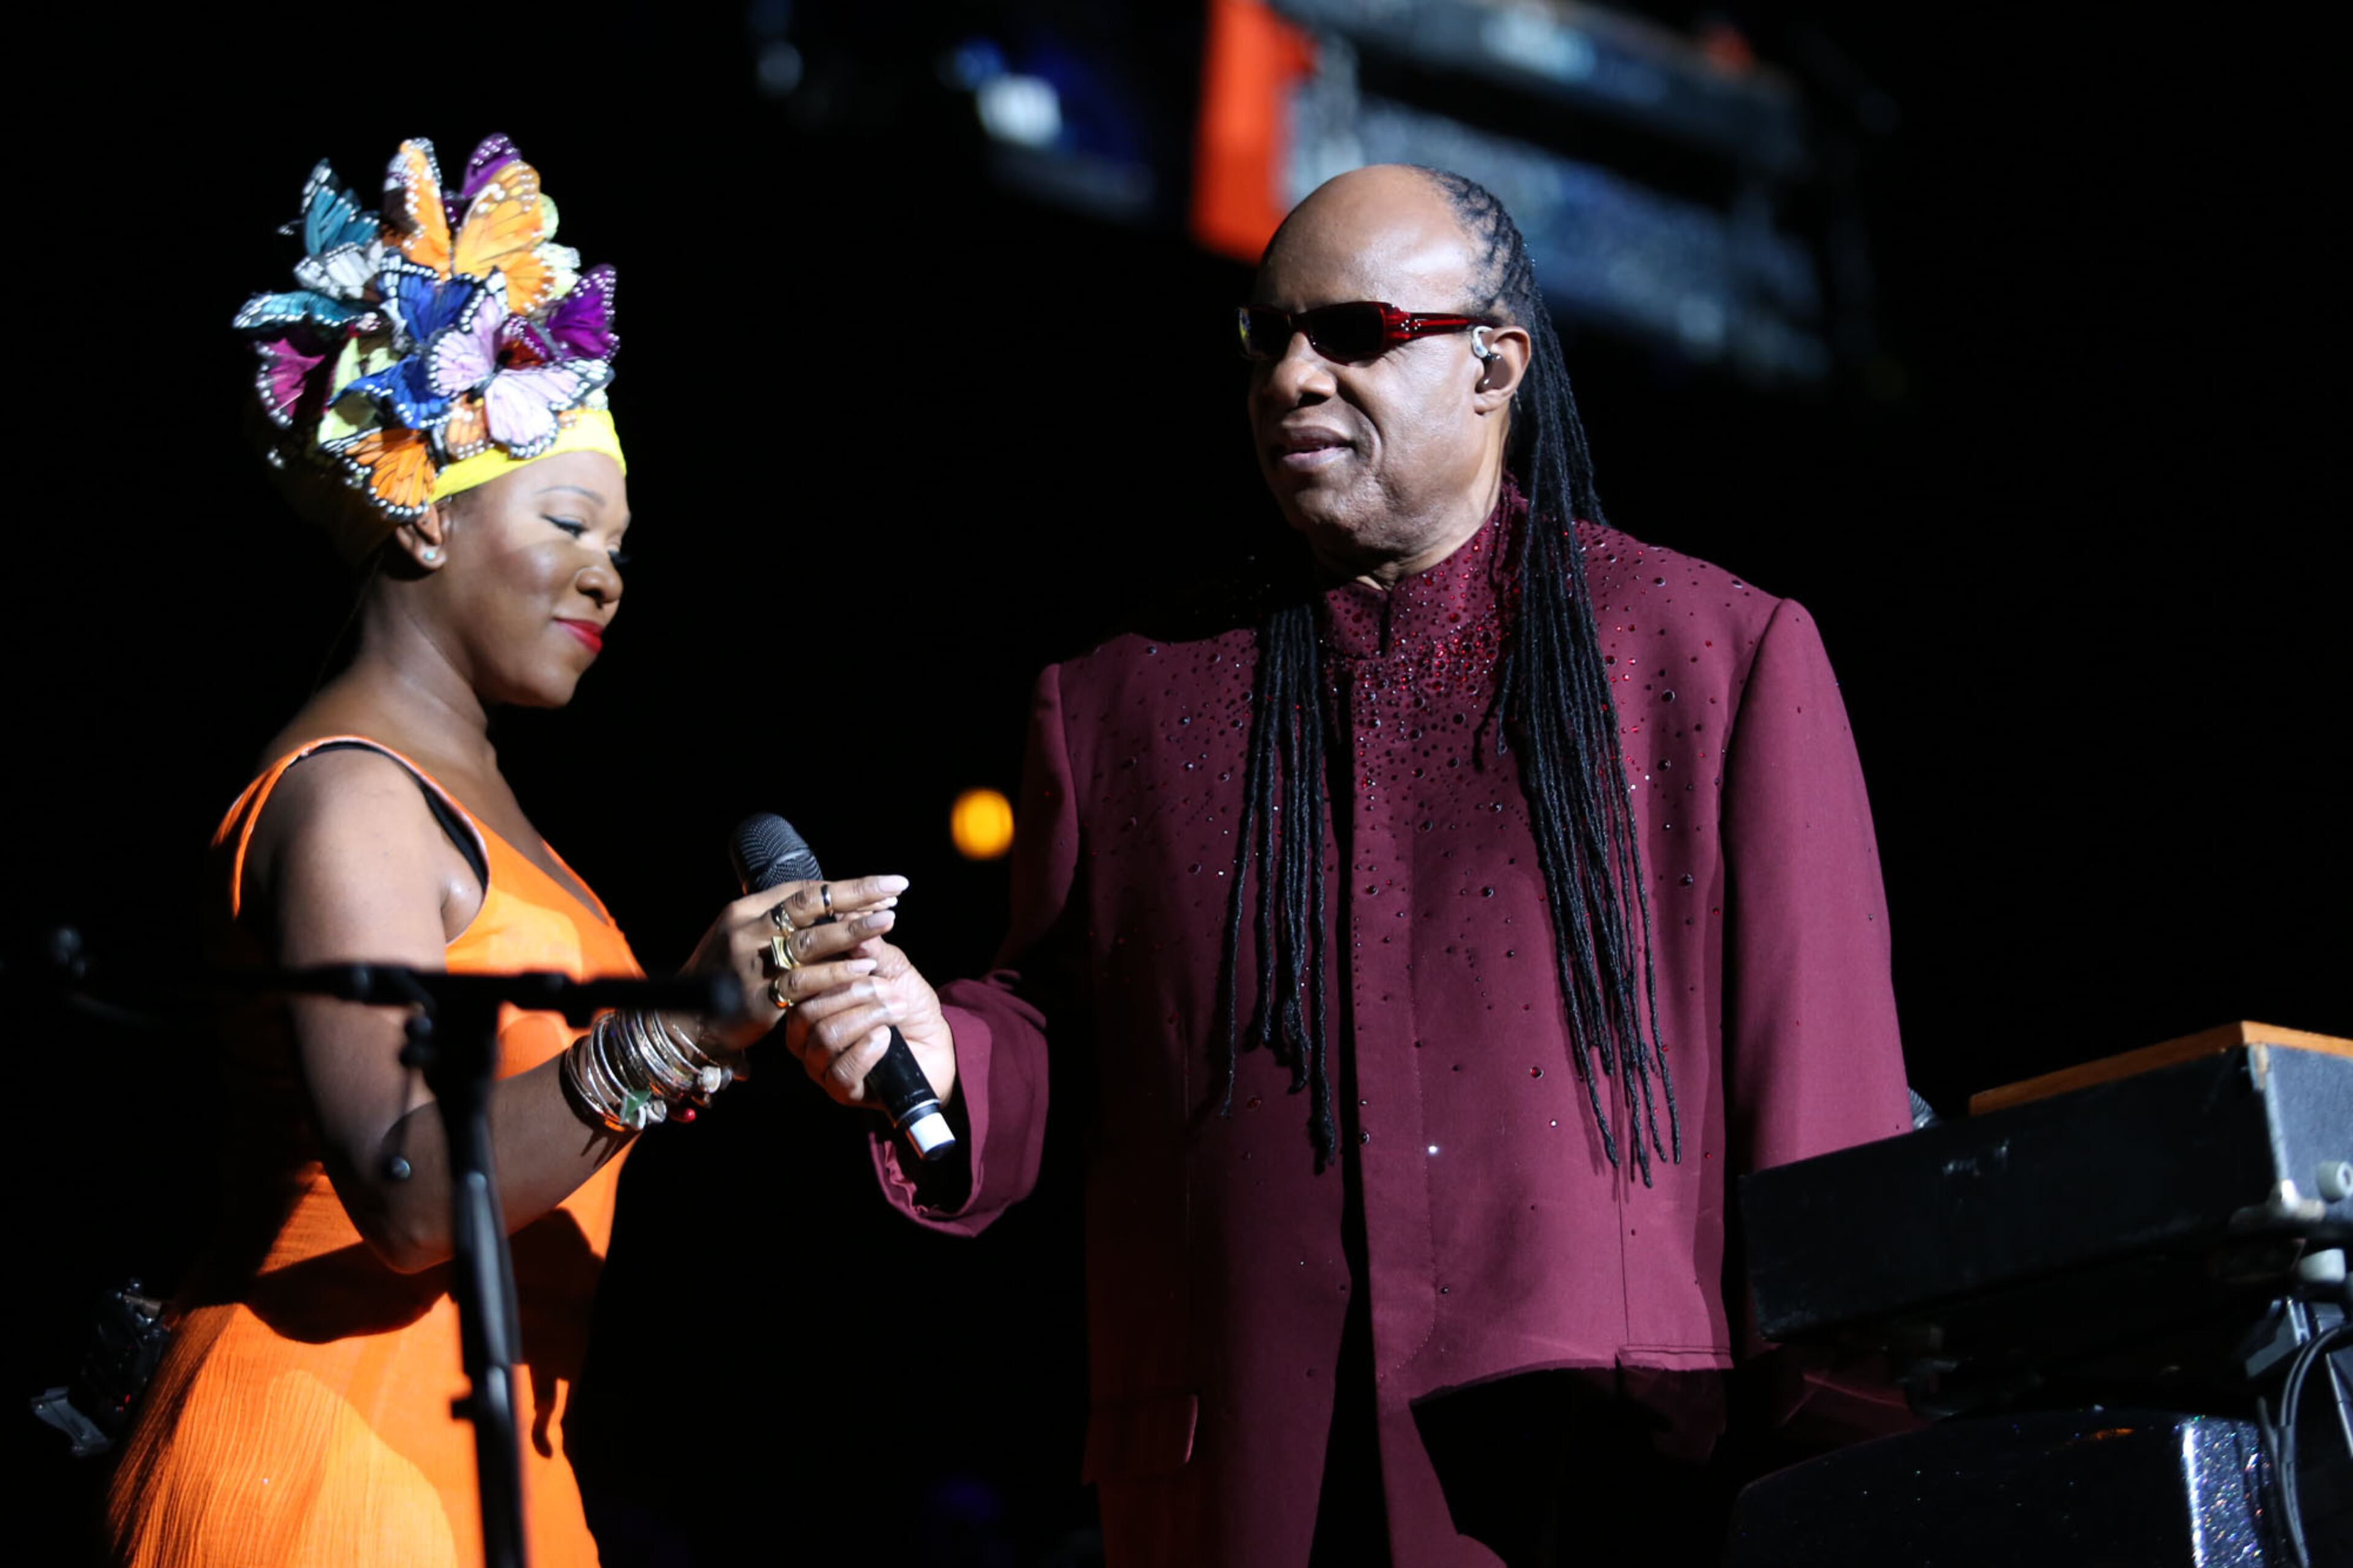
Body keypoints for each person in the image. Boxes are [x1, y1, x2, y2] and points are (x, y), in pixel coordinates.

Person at [782, 164, 1914, 1566]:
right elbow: (1064, 1023)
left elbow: (1827, 1127)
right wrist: (940, 1052)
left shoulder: (1709, 661)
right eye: (1266, 338)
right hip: (1245, 1494)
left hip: (1610, 1493)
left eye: (1355, 332)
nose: (1293, 377)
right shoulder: (1120, 701)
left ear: (1495, 361)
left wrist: (1844, 1475)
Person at [104, 135, 901, 1568]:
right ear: (421, 513)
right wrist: (672, 1025)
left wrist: (749, 1032)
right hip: (319, 1473)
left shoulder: (482, 803)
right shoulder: (352, 796)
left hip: (483, 1474)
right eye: (570, 518)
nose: (609, 570)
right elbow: (408, 1194)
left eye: (624, 544)